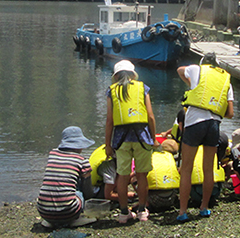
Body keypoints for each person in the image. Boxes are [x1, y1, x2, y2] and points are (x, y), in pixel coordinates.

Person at [176, 53, 234, 222]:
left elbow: (179, 70)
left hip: (195, 123)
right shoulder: (226, 81)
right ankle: (204, 208)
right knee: (208, 169)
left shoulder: (196, 69)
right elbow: (230, 114)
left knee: (186, 168)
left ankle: (182, 211)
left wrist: (192, 86)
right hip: (213, 125)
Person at [105, 60, 156, 223]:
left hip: (121, 139)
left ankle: (123, 212)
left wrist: (108, 145)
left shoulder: (111, 91)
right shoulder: (143, 88)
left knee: (122, 175)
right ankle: (142, 210)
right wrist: (153, 139)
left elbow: (109, 121)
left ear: (117, 75)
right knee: (141, 175)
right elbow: (150, 116)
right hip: (142, 136)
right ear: (133, 74)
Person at [37, 126, 97, 228]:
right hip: (68, 213)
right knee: (78, 191)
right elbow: (88, 193)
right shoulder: (82, 161)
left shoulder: (52, 154)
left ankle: (51, 221)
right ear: (79, 145)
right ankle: (73, 220)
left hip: (43, 210)